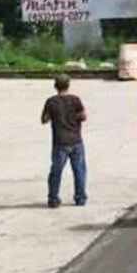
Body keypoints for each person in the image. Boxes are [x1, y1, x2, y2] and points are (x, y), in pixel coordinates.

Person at [42, 73, 87, 208]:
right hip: (76, 140)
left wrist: (55, 115)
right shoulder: (75, 100)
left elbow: (44, 119)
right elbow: (84, 116)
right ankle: (80, 198)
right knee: (79, 170)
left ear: (55, 86)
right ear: (68, 85)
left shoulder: (51, 102)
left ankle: (53, 199)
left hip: (60, 141)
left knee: (56, 171)